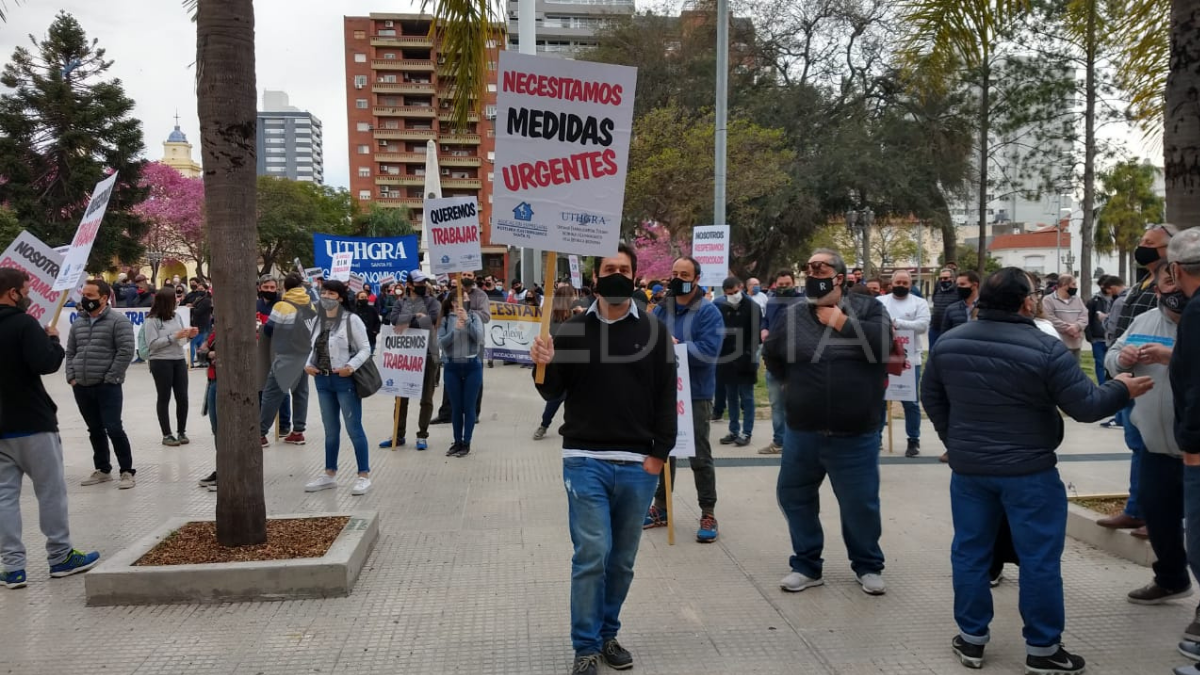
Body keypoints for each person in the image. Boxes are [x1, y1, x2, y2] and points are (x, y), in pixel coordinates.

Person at [922, 267, 1150, 674]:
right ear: (1026, 303)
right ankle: (1043, 649)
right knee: (1039, 559)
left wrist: (955, 442)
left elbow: (932, 397)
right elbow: (1087, 406)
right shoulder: (1045, 349)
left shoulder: (950, 343)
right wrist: (1122, 387)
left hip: (971, 471)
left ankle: (971, 638)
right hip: (1029, 472)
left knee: (970, 553)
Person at [530, 242, 675, 675]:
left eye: (623, 269)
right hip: (584, 460)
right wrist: (543, 364)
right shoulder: (572, 330)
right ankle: (586, 646)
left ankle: (608, 633)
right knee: (592, 554)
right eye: (608, 268)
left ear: (634, 276)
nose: (616, 275)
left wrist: (658, 456)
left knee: (622, 561)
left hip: (638, 465)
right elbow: (553, 390)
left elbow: (666, 396)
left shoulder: (654, 330)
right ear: (595, 278)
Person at [764, 249, 891, 596]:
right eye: (808, 268)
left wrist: (841, 322)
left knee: (859, 503)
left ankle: (867, 565)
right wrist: (791, 385)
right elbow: (772, 354)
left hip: (855, 434)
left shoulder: (869, 308)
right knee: (794, 496)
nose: (812, 273)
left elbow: (884, 346)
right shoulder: (793, 314)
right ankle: (806, 565)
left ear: (840, 277)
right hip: (803, 432)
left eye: (820, 268)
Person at [0, 268, 102, 589]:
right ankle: (60, 556)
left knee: (4, 498)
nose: (29, 295)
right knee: (50, 492)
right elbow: (45, 363)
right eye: (26, 290)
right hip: (33, 424)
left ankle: (13, 567)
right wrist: (54, 341)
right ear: (13, 293)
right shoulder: (24, 324)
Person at [1105, 264, 1190, 606]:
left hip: (1194, 448)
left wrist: (1173, 356)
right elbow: (1112, 357)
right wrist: (1121, 359)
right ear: (1157, 290)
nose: (1177, 288)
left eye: (1180, 280)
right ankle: (1170, 579)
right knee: (1158, 516)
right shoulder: (1144, 321)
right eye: (1168, 282)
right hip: (1155, 444)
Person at [1101, 224, 1179, 534]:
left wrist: (1171, 356)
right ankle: (1139, 511)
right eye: (1141, 241)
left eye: (1149, 243)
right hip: (1140, 399)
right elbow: (1116, 348)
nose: (1141, 247)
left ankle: (1167, 518)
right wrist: (1122, 359)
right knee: (1141, 451)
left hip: (1180, 423)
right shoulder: (1142, 291)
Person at [646, 256, 724, 542]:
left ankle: (708, 512)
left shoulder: (709, 312)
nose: (678, 279)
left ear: (697, 279)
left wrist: (677, 347)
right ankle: (661, 507)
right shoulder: (661, 310)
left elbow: (709, 351)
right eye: (675, 273)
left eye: (685, 275)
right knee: (663, 452)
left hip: (695, 395)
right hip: (664, 393)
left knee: (699, 455)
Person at [302, 280, 372, 496]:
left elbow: (365, 348)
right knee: (330, 429)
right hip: (322, 381)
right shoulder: (317, 320)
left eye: (331, 293)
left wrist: (350, 367)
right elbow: (312, 347)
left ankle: (363, 475)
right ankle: (329, 473)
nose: (326, 297)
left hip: (344, 381)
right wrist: (307, 364)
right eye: (323, 293)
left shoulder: (351, 320)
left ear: (340, 298)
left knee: (353, 427)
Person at [66, 278, 137, 490]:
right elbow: (71, 352)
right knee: (94, 429)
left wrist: (111, 377)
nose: (85, 299)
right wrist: (71, 376)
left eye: (90, 296)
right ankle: (103, 469)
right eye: (83, 295)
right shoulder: (78, 323)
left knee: (114, 428)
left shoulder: (118, 321)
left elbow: (125, 351)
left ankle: (126, 470)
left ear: (104, 298)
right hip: (82, 385)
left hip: (108, 386)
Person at [380, 271, 440, 451]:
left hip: (428, 354)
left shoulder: (433, 302)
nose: (422, 286)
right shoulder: (401, 302)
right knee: (401, 397)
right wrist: (416, 317)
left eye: (423, 283)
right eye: (418, 283)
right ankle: (398, 434)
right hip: (405, 355)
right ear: (410, 285)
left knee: (426, 398)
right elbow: (393, 320)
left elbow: (432, 320)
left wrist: (407, 322)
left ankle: (422, 435)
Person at [878, 270, 930, 458]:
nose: (901, 285)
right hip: (883, 358)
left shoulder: (919, 303)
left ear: (910, 285)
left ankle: (913, 439)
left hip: (910, 359)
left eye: (905, 283)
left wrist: (896, 322)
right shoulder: (880, 302)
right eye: (898, 282)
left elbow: (922, 325)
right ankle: (877, 437)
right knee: (880, 400)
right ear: (891, 283)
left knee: (910, 402)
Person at [260, 274, 315, 448]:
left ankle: (260, 433)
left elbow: (269, 330)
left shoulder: (282, 305)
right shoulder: (309, 304)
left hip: (286, 355)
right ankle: (298, 432)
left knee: (271, 393)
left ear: (285, 287)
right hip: (304, 355)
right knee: (300, 393)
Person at [757, 270, 802, 456]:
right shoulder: (772, 301)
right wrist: (763, 329)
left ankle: (796, 442)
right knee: (776, 404)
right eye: (780, 285)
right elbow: (765, 320)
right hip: (773, 361)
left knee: (796, 405)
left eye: (787, 284)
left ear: (794, 283)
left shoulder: (802, 302)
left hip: (795, 363)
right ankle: (779, 441)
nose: (783, 288)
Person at [144, 287, 196, 447]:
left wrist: (189, 336)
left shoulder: (176, 317)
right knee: (164, 397)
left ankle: (182, 431)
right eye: (175, 298)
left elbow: (181, 341)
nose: (178, 300)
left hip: (178, 359)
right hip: (160, 361)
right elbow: (152, 344)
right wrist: (174, 336)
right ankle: (167, 434)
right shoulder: (152, 320)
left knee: (182, 397)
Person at [715, 276, 761, 447]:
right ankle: (733, 430)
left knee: (746, 397)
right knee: (731, 396)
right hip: (727, 358)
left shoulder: (752, 307)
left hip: (746, 358)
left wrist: (747, 354)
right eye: (729, 293)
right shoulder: (722, 307)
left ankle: (746, 432)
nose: (733, 296)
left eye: (735, 292)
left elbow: (755, 336)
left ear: (741, 287)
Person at [439, 294, 484, 457]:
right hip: (452, 365)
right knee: (456, 407)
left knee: (469, 406)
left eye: (466, 298)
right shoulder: (445, 320)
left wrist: (468, 322)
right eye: (461, 298)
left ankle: (467, 442)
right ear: (453, 302)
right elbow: (441, 343)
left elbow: (479, 338)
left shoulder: (474, 317)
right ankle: (457, 441)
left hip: (472, 365)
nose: (465, 301)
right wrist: (455, 330)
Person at [533, 283, 575, 441]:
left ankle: (572, 427)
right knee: (556, 398)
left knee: (575, 398)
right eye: (573, 296)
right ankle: (544, 425)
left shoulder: (576, 315)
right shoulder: (553, 318)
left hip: (575, 363)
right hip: (559, 363)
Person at [1086, 275, 1123, 385]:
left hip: (1112, 338)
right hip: (1098, 338)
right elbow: (1088, 318)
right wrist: (1090, 337)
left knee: (1113, 363)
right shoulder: (1094, 300)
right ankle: (1103, 385)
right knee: (1100, 363)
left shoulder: (1117, 299)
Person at [1041, 274, 1088, 358]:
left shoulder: (1077, 300)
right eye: (1073, 284)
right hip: (1057, 345)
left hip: (1075, 344)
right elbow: (1049, 318)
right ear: (1064, 285)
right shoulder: (1048, 300)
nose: (1076, 287)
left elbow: (1084, 315)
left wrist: (1077, 327)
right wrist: (1069, 329)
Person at [197, 329, 219, 492]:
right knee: (217, 430)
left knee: (225, 430)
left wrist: (209, 353)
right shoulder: (216, 329)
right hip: (213, 380)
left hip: (226, 382)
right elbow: (201, 351)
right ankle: (222, 469)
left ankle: (229, 472)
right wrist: (209, 354)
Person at [185, 278, 213, 368]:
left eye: (201, 289)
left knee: (192, 343)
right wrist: (191, 305)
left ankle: (191, 362)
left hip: (202, 324)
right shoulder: (199, 299)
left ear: (206, 289)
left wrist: (191, 308)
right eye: (198, 289)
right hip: (197, 324)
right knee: (200, 344)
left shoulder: (207, 300)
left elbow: (199, 311)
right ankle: (203, 362)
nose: (199, 291)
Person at [941, 270, 981, 334]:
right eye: (957, 285)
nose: (959, 287)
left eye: (962, 284)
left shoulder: (987, 307)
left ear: (975, 285)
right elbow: (944, 334)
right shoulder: (951, 309)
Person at [929, 268, 960, 348]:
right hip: (935, 327)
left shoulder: (958, 292)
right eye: (940, 278)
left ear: (953, 279)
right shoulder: (938, 290)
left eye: (945, 278)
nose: (942, 280)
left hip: (950, 329)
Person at [353, 289, 381, 354]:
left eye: (365, 297)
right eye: (362, 297)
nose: (364, 299)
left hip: (370, 338)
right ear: (357, 298)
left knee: (369, 356)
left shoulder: (372, 309)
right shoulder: (354, 310)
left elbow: (377, 321)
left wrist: (375, 331)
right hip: (357, 339)